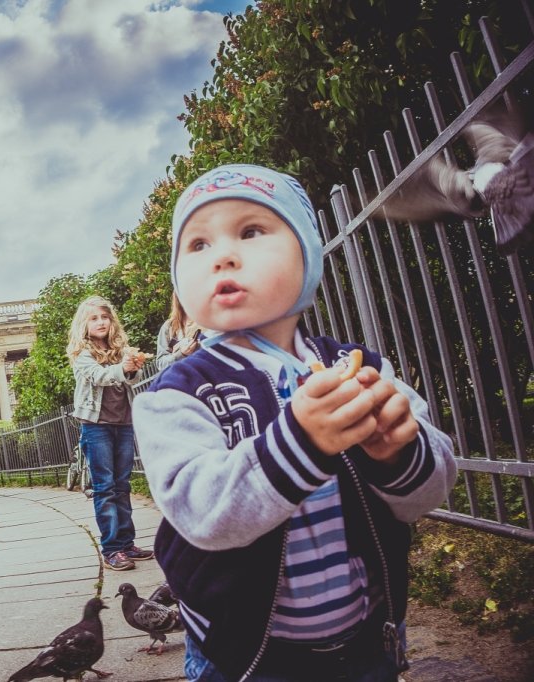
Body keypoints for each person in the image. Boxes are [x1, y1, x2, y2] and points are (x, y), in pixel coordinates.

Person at [132, 164, 458, 682]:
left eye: (251, 231)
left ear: (307, 253)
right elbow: (201, 512)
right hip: (242, 658)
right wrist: (300, 442)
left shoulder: (363, 368)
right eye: (196, 245)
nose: (223, 255)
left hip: (364, 644)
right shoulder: (173, 395)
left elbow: (431, 490)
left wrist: (399, 452)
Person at [66, 295, 152, 572]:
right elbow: (99, 377)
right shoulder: (82, 353)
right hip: (96, 425)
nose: (101, 322)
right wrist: (123, 368)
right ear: (84, 324)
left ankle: (127, 543)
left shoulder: (120, 348)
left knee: (123, 485)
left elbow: (132, 378)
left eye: (104, 317)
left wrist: (132, 366)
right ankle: (112, 549)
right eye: (94, 318)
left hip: (123, 421)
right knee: (105, 488)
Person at [155, 292, 203, 372]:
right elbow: (161, 364)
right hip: (185, 379)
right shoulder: (169, 327)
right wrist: (181, 354)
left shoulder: (210, 319)